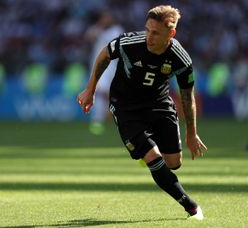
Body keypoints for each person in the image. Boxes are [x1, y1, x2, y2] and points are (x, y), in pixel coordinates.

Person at [77, 5, 207, 220]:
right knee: (153, 157)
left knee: (174, 163)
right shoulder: (131, 43)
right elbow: (104, 55)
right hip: (126, 106)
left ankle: (145, 148)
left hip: (159, 103)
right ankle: (190, 206)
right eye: (147, 30)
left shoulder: (180, 59)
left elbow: (187, 96)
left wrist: (191, 133)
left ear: (171, 34)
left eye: (155, 33)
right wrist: (90, 89)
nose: (149, 36)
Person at [85, 10, 124, 135]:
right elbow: (88, 36)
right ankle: (99, 119)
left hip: (110, 66)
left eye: (107, 18)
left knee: (101, 90)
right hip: (96, 66)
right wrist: (99, 26)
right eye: (103, 18)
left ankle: (113, 111)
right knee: (98, 92)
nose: (105, 20)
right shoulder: (97, 29)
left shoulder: (116, 30)